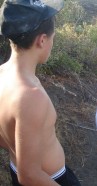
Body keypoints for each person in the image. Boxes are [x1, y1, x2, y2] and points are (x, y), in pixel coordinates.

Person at [0, 0, 81, 185]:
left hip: (19, 168)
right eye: (53, 38)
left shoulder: (2, 74)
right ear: (42, 40)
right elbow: (28, 175)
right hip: (48, 179)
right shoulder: (30, 95)